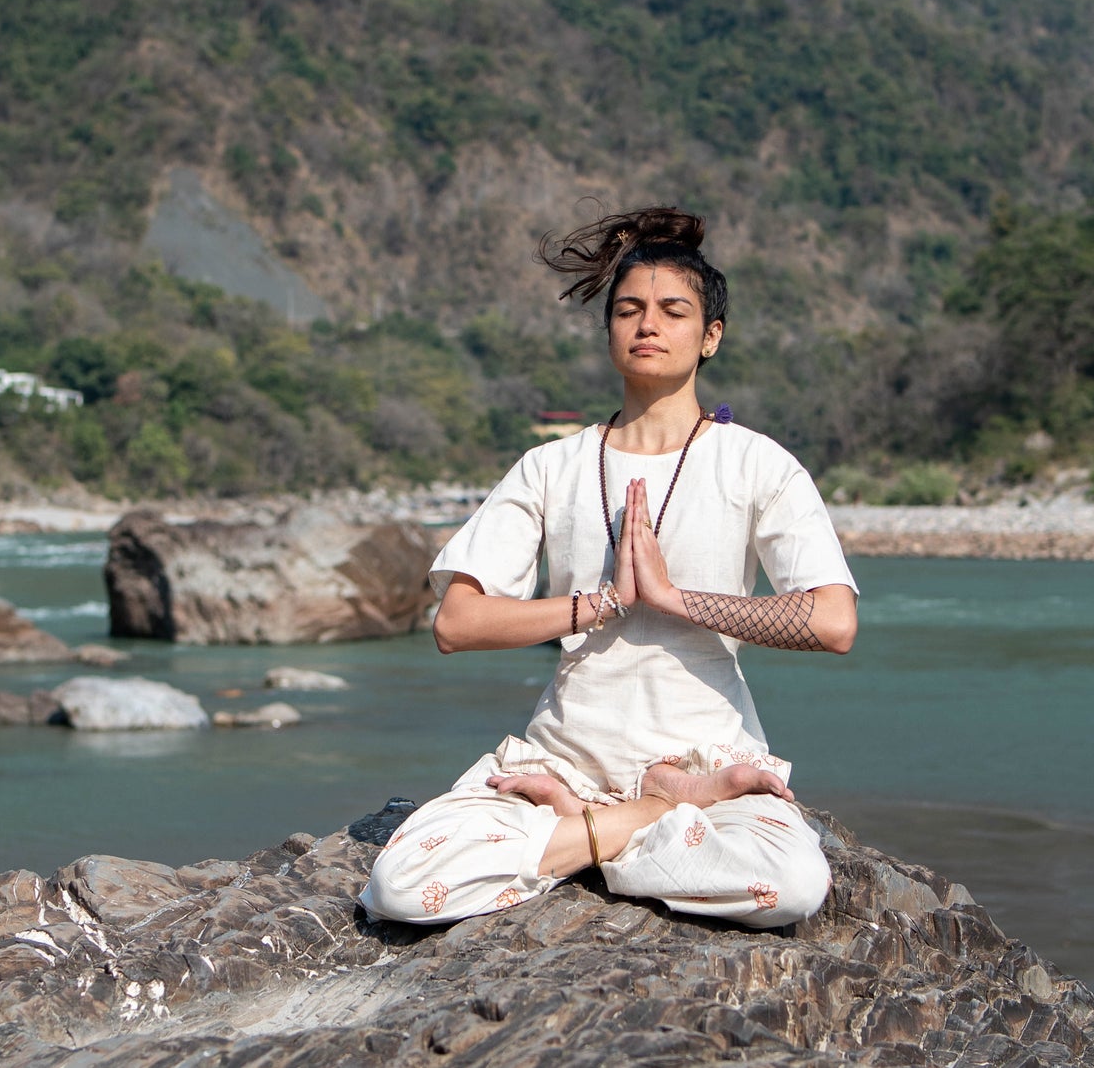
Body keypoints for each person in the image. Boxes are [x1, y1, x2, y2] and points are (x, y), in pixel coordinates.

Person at [361, 206, 857, 927]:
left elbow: (833, 620)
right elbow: (457, 621)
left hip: (705, 755)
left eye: (671, 310)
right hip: (563, 757)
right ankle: (647, 816)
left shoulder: (756, 464)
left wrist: (671, 597)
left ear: (710, 336)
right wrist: (603, 603)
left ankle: (599, 827)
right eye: (628, 310)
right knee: (401, 885)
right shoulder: (550, 466)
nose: (646, 324)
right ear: (608, 333)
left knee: (788, 885)